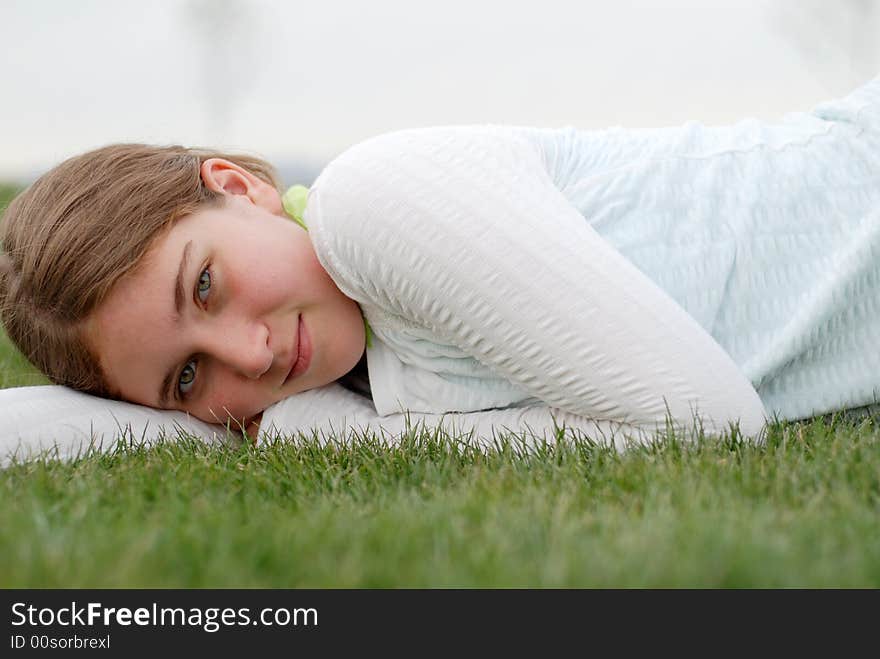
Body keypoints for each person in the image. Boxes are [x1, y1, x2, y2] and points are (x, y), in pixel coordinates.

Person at [1, 76, 878, 443]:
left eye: (206, 284)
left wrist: (337, 441)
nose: (250, 354)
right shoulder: (367, 367)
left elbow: (706, 420)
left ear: (237, 185)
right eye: (187, 379)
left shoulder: (373, 204)